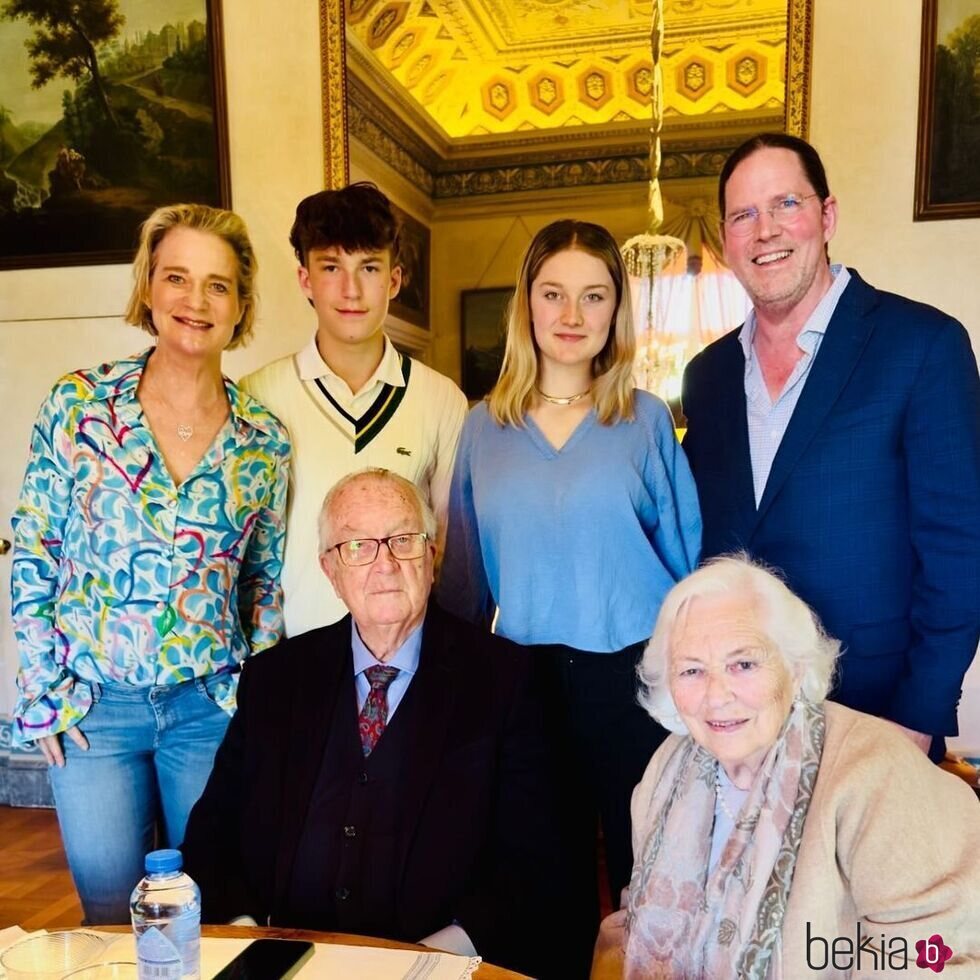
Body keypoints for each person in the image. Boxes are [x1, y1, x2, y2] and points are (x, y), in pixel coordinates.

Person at [10, 204, 290, 923]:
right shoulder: (80, 405)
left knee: (214, 907)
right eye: (177, 278)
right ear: (148, 289)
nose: (195, 302)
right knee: (109, 915)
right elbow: (34, 546)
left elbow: (262, 583)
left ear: (241, 305)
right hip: (93, 710)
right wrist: (45, 689)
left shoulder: (264, 440)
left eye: (218, 285)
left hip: (208, 711)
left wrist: (250, 702)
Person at [439, 219, 701, 972]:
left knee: (643, 871)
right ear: (526, 304)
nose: (572, 315)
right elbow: (462, 583)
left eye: (594, 296)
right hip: (523, 681)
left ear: (616, 310)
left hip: (633, 680)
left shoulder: (644, 419)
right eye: (553, 294)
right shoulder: (482, 428)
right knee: (539, 874)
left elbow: (689, 571)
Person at [181, 468, 562, 978]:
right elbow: (212, 834)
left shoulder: (506, 678)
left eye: (403, 540)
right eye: (357, 546)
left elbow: (534, 859)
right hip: (288, 961)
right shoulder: (275, 678)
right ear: (329, 570)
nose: (385, 564)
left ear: (431, 555)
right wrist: (257, 944)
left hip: (440, 965)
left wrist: (429, 962)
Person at [682, 132, 980, 762]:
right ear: (726, 237)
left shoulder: (922, 346)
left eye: (785, 203)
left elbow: (961, 552)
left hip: (877, 721)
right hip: (739, 725)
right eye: (743, 215)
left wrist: (916, 721)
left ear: (827, 216)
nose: (765, 230)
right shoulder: (705, 377)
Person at [591, 555, 980, 979]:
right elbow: (643, 913)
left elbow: (934, 957)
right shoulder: (667, 770)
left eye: (743, 664)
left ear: (795, 670)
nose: (717, 695)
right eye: (691, 670)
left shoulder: (877, 773)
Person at [240, 182, 467, 637]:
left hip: (409, 660)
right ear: (305, 279)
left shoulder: (441, 400)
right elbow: (248, 554)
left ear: (395, 280)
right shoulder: (257, 396)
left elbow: (449, 552)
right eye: (330, 267)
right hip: (298, 660)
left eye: (368, 267)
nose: (350, 289)